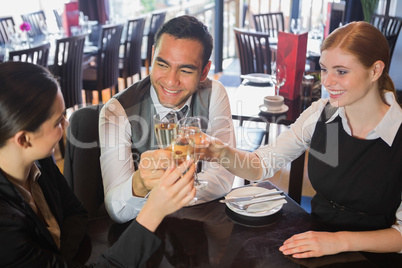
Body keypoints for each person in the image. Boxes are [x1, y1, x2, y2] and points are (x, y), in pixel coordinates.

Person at [201, 21, 402, 258]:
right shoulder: (321, 113)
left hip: (372, 256)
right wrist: (220, 152)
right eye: (324, 69)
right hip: (314, 242)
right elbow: (261, 165)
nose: (327, 81)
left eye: (341, 71)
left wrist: (338, 241)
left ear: (376, 71)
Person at [0, 61, 196, 267]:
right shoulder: (5, 227)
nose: (66, 124)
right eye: (58, 121)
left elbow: (75, 213)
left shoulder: (38, 161)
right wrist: (154, 210)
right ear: (23, 139)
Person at [99, 15, 235, 223]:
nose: (171, 81)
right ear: (153, 55)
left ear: (204, 72)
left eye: (186, 70)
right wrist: (139, 185)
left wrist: (162, 196)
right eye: (162, 65)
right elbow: (117, 210)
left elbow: (223, 178)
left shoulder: (214, 94)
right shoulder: (117, 110)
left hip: (196, 230)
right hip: (140, 236)